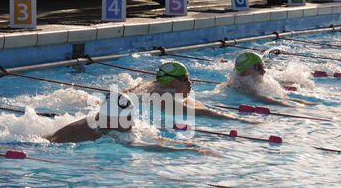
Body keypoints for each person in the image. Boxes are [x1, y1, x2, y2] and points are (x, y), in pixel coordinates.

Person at [45, 92, 218, 155]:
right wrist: (190, 152)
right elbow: (144, 146)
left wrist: (189, 144)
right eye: (128, 118)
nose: (133, 122)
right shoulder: (98, 131)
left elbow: (149, 137)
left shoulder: (106, 122)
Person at [125, 61, 258, 122]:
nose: (190, 83)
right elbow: (199, 112)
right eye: (184, 79)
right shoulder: (161, 98)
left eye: (188, 78)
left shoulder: (151, 86)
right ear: (170, 81)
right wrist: (237, 119)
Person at [228, 52, 315, 107]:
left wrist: (301, 102)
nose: (263, 72)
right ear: (244, 72)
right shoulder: (243, 86)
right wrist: (293, 107)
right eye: (258, 67)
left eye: (263, 66)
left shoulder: (248, 80)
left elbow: (279, 96)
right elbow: (262, 99)